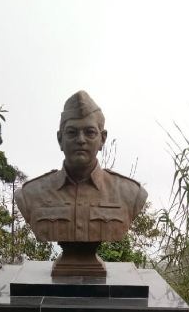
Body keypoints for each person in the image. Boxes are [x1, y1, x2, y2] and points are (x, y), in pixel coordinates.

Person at [14, 91, 148, 244]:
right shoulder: (30, 194)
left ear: (102, 139)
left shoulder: (130, 193)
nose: (81, 140)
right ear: (60, 139)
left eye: (89, 132)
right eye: (72, 132)